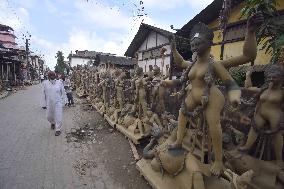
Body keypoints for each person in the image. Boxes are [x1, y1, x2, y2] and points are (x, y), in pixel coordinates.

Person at [44, 71, 65, 136]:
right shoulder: (45, 83)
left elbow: (63, 92)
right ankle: (52, 122)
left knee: (58, 115)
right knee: (48, 116)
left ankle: (58, 129)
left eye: (53, 75)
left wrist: (63, 101)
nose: (52, 77)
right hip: (49, 102)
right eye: (50, 76)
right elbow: (43, 94)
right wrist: (43, 103)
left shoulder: (59, 83)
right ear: (48, 77)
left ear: (55, 76)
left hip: (58, 102)